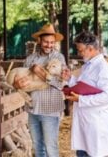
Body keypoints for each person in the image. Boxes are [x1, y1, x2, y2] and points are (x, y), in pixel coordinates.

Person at [13, 24, 69, 157]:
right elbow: (22, 84)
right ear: (39, 41)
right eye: (46, 42)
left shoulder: (59, 58)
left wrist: (40, 73)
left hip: (50, 109)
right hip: (33, 109)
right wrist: (17, 84)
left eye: (52, 42)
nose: (49, 45)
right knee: (38, 147)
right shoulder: (30, 59)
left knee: (51, 147)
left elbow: (60, 84)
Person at [65, 31, 108, 157]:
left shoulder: (103, 69)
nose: (79, 53)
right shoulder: (87, 65)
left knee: (92, 153)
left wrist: (81, 99)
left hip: (95, 122)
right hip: (84, 121)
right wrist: (70, 79)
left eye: (81, 50)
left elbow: (107, 97)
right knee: (82, 152)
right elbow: (82, 86)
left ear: (91, 48)